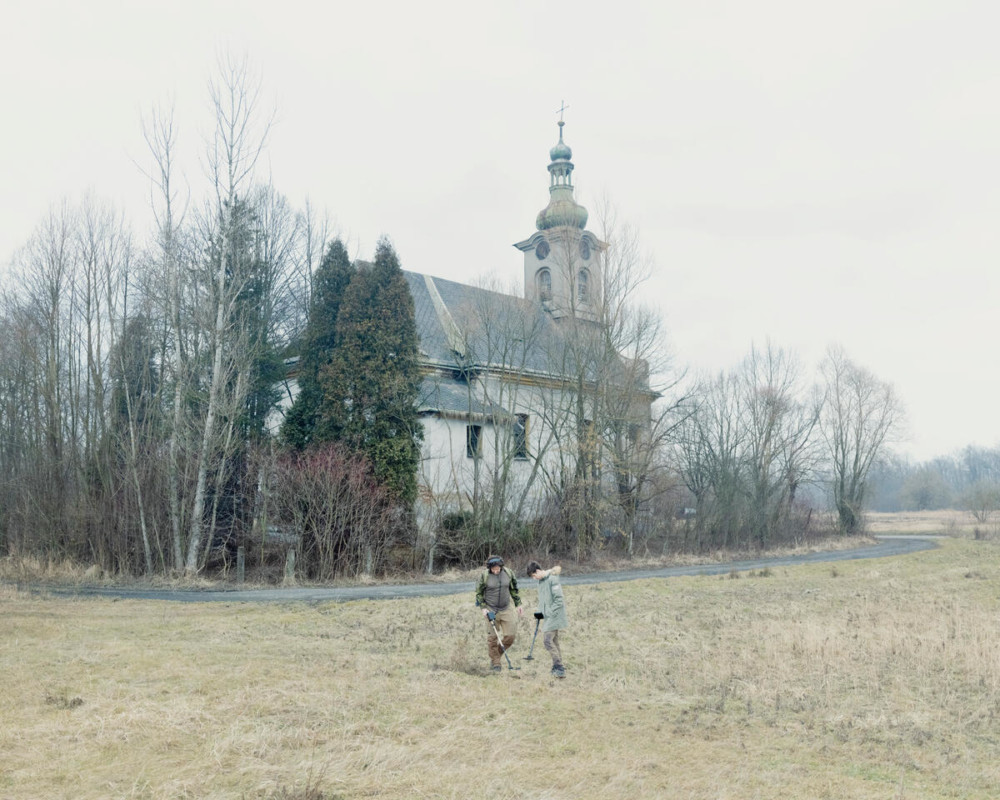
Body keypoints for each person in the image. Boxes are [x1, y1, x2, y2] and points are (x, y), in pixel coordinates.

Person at [475, 555, 523, 671]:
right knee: (492, 638)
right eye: (493, 569)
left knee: (510, 636)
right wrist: (483, 608)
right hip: (490, 609)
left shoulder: (508, 573)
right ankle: (496, 663)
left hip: (506, 608)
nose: (495, 571)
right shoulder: (484, 576)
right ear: (489, 568)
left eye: (497, 568)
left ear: (501, 566)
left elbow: (514, 589)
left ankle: (496, 654)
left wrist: (518, 604)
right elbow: (479, 593)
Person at [526, 560, 568, 678]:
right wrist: (540, 612)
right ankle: (558, 666)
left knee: (547, 641)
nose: (534, 578)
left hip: (555, 615)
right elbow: (543, 600)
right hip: (548, 616)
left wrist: (549, 612)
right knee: (554, 641)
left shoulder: (552, 579)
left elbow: (559, 600)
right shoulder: (541, 582)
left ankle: (558, 667)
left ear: (538, 571)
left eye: (534, 575)